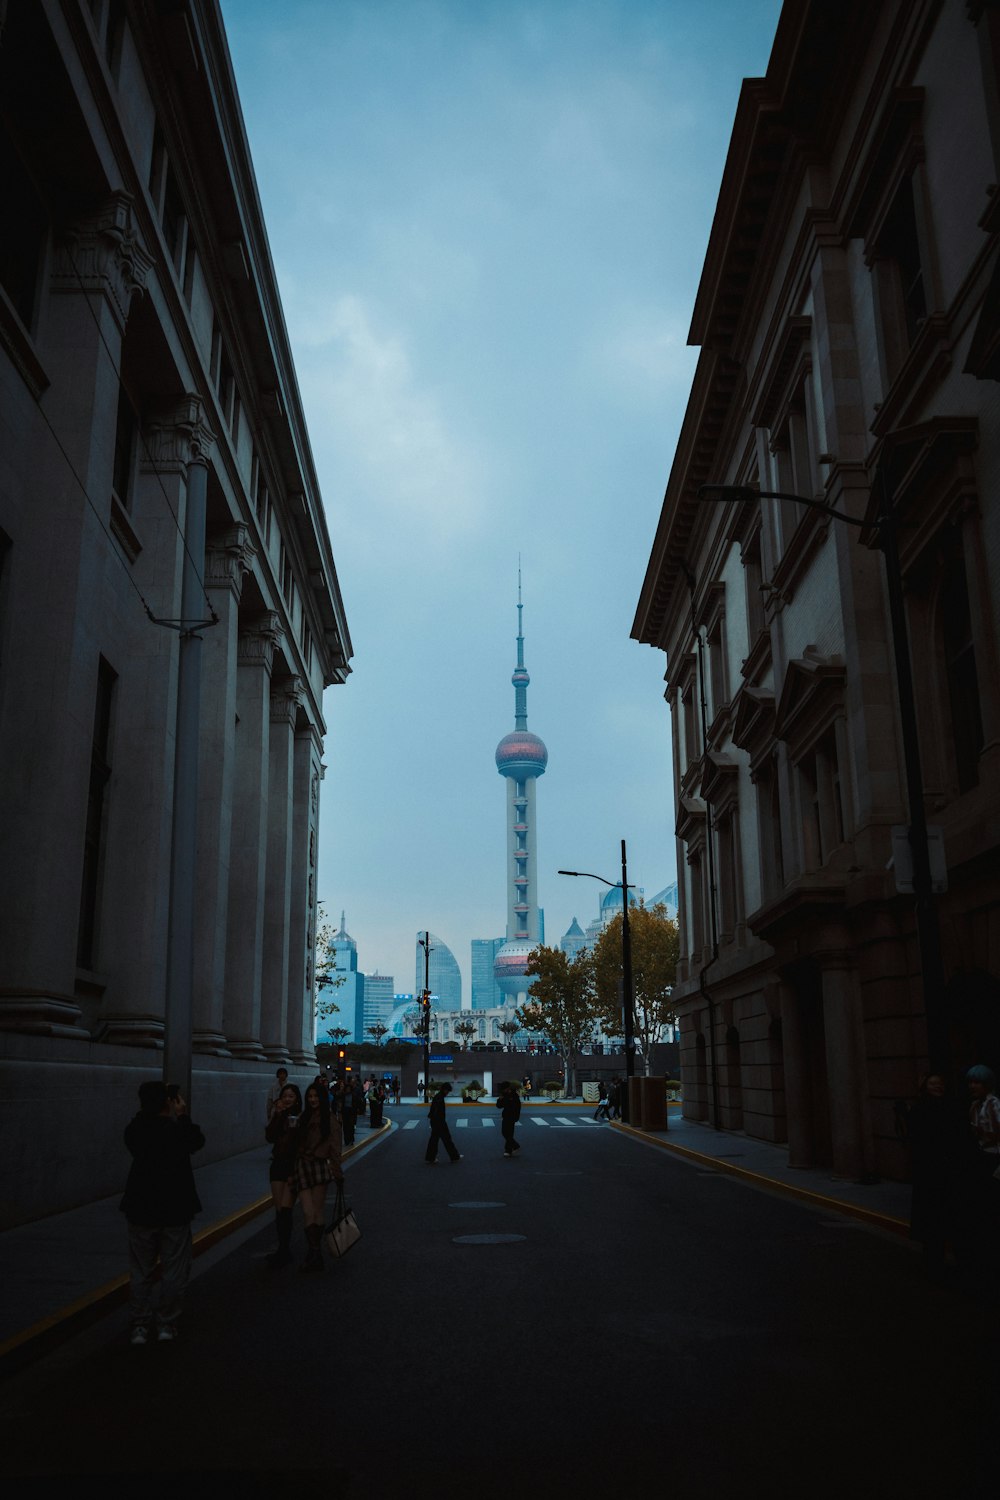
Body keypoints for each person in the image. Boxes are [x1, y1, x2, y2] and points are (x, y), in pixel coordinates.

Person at [119, 1080, 205, 1345]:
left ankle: (140, 1325)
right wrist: (182, 1115)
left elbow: (132, 1136)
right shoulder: (176, 1130)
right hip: (174, 1208)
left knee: (141, 1270)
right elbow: (196, 1141)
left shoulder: (136, 1129)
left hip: (141, 1207)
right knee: (173, 1270)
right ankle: (166, 1322)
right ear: (167, 1102)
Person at [905, 1073, 979, 1283]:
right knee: (934, 1224)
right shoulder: (921, 1109)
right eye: (933, 1084)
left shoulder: (952, 1107)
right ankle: (934, 1266)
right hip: (930, 1175)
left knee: (952, 1220)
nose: (937, 1087)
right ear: (925, 1086)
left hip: (949, 1173)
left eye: (940, 1084)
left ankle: (959, 1265)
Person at [291, 1082, 344, 1272]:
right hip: (303, 1165)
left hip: (320, 1166)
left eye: (315, 1096)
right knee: (307, 1211)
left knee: (317, 1210)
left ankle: (314, 1254)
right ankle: (314, 1252)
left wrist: (338, 1173)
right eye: (310, 1096)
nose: (312, 1100)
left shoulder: (329, 1120)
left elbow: (335, 1150)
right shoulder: (302, 1118)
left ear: (322, 1098)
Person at [263, 1082, 302, 1269]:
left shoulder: (300, 1117)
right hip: (278, 1165)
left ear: (296, 1099)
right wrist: (277, 1115)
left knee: (286, 1208)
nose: (287, 1099)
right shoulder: (278, 1115)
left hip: (292, 1166)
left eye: (291, 1096)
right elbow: (269, 1137)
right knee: (279, 1210)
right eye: (285, 1096)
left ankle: (286, 1249)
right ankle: (282, 1249)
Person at [425, 1083, 461, 1164]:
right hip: (439, 1122)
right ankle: (454, 1156)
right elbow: (436, 1112)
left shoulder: (438, 1096)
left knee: (434, 1140)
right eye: (448, 1091)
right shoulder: (440, 1098)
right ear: (445, 1090)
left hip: (436, 1122)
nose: (448, 1093)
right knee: (446, 1139)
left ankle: (431, 1157)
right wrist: (439, 1122)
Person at [496, 1080, 522, 1158]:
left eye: (504, 1089)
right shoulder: (504, 1095)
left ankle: (508, 1150)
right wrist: (500, 1099)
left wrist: (517, 1117)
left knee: (509, 1133)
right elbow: (499, 1106)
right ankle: (514, 1147)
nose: (503, 1090)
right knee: (505, 1132)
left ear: (507, 1088)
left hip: (512, 1116)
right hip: (506, 1116)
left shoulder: (514, 1095)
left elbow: (517, 1107)